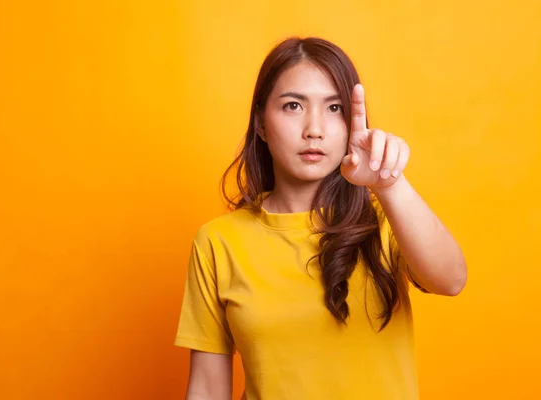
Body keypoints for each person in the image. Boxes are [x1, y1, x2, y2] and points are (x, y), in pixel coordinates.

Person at [174, 36, 467, 400]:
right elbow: (207, 387)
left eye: (334, 109)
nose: (314, 129)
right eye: (293, 106)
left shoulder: (385, 217)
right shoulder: (218, 242)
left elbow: (451, 279)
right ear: (262, 124)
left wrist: (389, 186)